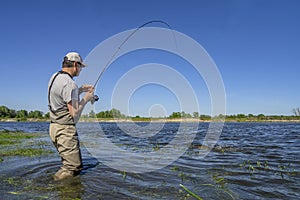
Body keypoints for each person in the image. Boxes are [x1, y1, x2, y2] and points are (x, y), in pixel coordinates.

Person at [48, 52, 95, 181]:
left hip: (54, 128)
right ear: (75, 65)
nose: (80, 70)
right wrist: (86, 98)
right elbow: (74, 114)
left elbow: (62, 96)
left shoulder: (55, 77)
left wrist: (79, 90)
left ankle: (62, 189)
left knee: (69, 165)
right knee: (73, 167)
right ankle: (53, 187)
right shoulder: (70, 84)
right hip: (65, 130)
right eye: (80, 67)